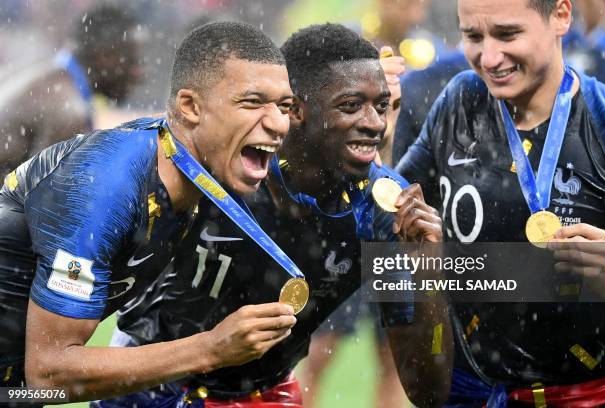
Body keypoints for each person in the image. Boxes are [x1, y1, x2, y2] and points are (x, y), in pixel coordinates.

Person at [99, 23, 453, 408]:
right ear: (296, 110)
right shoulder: (223, 164)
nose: (375, 124)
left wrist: (428, 272)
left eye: (381, 106)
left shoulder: (384, 212)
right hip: (150, 385)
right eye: (351, 105)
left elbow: (428, 393)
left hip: (264, 396)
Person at [0, 21, 298, 403]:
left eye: (285, 107)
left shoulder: (198, 165)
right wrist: (211, 348)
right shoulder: (105, 185)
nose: (277, 124)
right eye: (253, 102)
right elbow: (47, 373)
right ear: (190, 107)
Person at [395, 0, 605, 405]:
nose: (489, 57)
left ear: (561, 16)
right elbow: (390, 219)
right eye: (473, 36)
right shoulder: (460, 100)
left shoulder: (604, 120)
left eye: (508, 34)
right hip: (470, 394)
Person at [0, 5, 143, 178]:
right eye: (133, 62)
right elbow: (44, 201)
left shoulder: (44, 76)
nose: (139, 74)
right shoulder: (68, 111)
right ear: (104, 57)